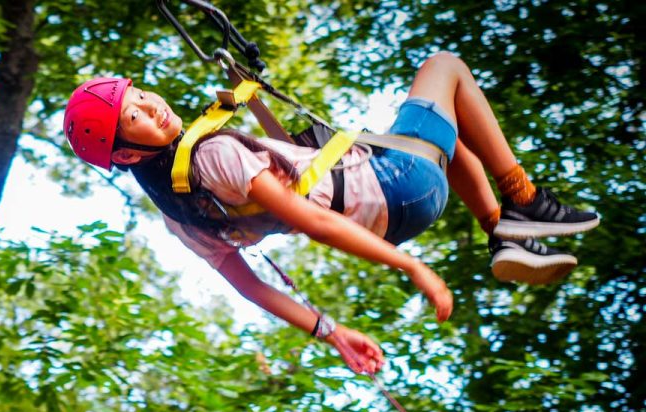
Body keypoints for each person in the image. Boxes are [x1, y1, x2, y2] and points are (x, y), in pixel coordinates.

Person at [62, 52, 599, 374]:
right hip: (396, 185)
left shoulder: (180, 215)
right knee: (445, 69)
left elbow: (250, 286)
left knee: (445, 136)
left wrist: (331, 331)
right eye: (132, 114)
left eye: (138, 94)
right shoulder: (213, 155)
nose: (150, 105)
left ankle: (501, 230)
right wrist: (411, 268)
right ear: (128, 154)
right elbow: (310, 219)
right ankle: (524, 203)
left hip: (395, 210)